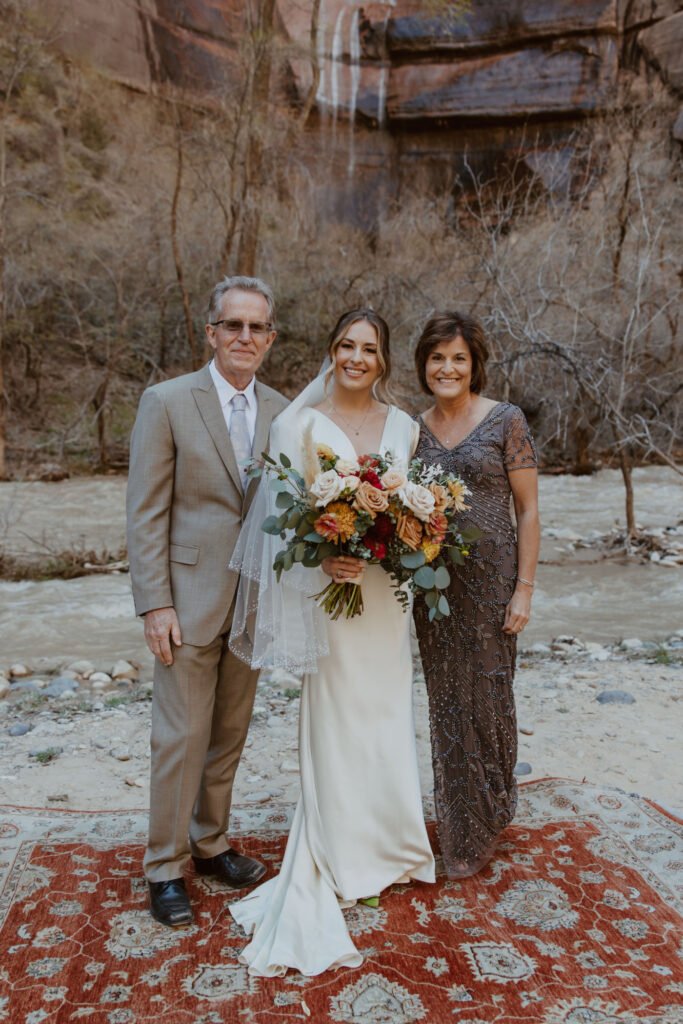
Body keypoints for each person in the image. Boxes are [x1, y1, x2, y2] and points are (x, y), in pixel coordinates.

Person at [227, 309, 435, 976]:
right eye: (345, 345)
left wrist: (403, 540)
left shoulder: (405, 427)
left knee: (385, 714)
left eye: (368, 348)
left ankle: (394, 849)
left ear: (383, 359)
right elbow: (279, 524)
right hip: (336, 593)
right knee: (339, 716)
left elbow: (421, 513)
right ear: (330, 351)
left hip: (384, 599)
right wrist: (324, 559)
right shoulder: (296, 424)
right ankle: (340, 851)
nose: (355, 357)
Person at [126, 275, 288, 928]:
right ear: (212, 333)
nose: (244, 337)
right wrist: (154, 603)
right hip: (186, 603)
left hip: (254, 602)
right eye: (233, 325)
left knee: (227, 735)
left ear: (269, 339)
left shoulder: (284, 410)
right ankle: (164, 867)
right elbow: (144, 511)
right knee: (179, 737)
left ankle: (210, 841)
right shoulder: (166, 402)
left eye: (257, 327)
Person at [411, 311, 540, 879]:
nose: (448, 367)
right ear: (424, 365)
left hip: (493, 585)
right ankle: (461, 830)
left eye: (458, 358)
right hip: (434, 587)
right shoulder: (410, 429)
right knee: (447, 703)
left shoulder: (505, 420)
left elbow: (529, 509)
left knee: (489, 698)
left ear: (474, 364)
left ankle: (492, 805)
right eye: (437, 357)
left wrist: (524, 590)